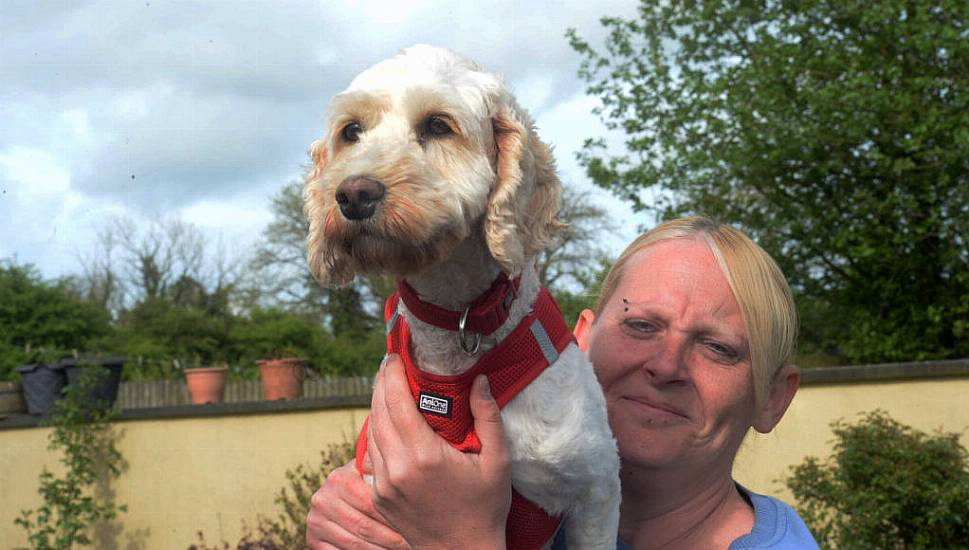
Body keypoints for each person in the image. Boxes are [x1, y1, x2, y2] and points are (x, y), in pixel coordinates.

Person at [305, 216, 820, 549]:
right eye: (641, 325)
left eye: (718, 348)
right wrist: (357, 518)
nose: (666, 366)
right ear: (577, 342)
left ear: (773, 399)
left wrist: (457, 540)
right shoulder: (503, 502)